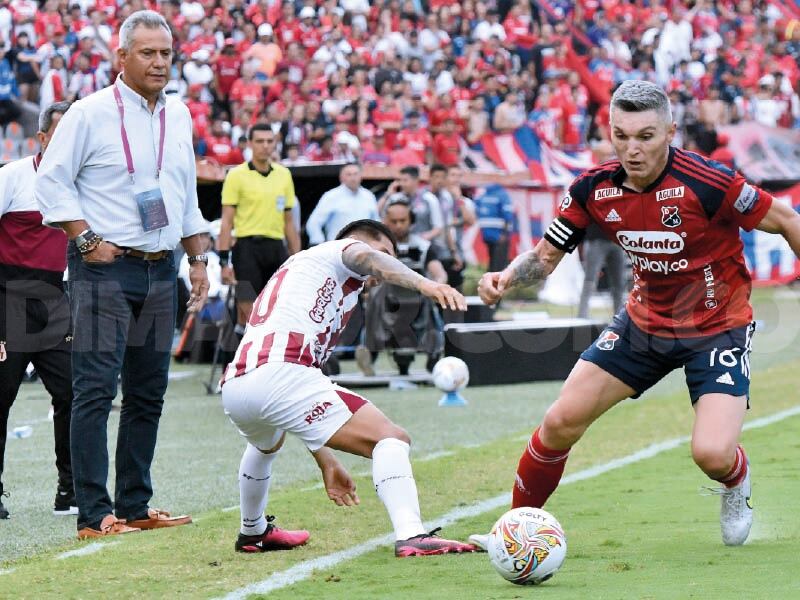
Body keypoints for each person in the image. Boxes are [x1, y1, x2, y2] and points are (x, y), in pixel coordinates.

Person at [470, 80, 800, 549]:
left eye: (645, 136)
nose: (631, 148)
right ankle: (513, 531)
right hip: (642, 326)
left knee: (710, 453)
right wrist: (505, 276)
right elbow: (545, 257)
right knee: (560, 421)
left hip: (718, 329)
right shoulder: (592, 188)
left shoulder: (711, 183)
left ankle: (735, 483)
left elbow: (787, 221)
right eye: (621, 135)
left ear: (670, 131)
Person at [34, 10, 210, 539]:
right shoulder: (88, 114)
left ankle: (135, 504)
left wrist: (199, 259)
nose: (159, 62)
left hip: (163, 269)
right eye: (148, 53)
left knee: (148, 392)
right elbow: (50, 183)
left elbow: (184, 195)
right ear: (122, 56)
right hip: (103, 272)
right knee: (94, 390)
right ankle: (94, 515)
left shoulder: (177, 115)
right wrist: (86, 239)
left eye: (165, 53)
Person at [220, 219, 476, 557]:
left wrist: (326, 460)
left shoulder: (317, 274)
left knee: (267, 441)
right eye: (384, 252)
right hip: (280, 372)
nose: (385, 264)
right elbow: (367, 258)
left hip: (239, 384)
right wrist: (426, 285)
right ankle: (412, 534)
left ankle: (253, 532)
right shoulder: (339, 251)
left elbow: (294, 402)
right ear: (361, 243)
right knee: (392, 439)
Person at [0, 102, 75, 520]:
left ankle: (70, 489)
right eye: (61, 133)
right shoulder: (11, 177)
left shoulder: (84, 184)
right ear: (42, 138)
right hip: (7, 299)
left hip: (57, 302)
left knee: (74, 393)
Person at [218, 123, 301, 330]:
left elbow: (289, 222)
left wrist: (298, 258)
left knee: (278, 309)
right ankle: (240, 360)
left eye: (269, 141)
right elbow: (226, 221)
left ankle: (268, 360)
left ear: (275, 143)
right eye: (259, 141)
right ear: (250, 144)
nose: (265, 146)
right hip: (246, 249)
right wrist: (223, 261)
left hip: (275, 247)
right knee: (247, 312)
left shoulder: (284, 175)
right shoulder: (236, 175)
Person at [363, 199, 448, 375]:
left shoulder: (423, 246)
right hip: (386, 300)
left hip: (418, 300)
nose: (399, 225)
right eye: (394, 222)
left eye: (403, 221)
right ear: (385, 222)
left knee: (432, 303)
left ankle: (434, 357)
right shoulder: (376, 248)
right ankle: (368, 355)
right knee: (375, 296)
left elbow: (438, 272)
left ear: (412, 221)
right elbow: (367, 275)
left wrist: (439, 284)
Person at [305, 163, 379, 246]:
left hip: (365, 247)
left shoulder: (369, 196)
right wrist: (319, 243)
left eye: (355, 174)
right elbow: (313, 223)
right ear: (341, 177)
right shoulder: (331, 196)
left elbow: (376, 223)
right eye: (349, 174)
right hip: (337, 249)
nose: (353, 178)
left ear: (361, 176)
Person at [576, 224, 627, 319]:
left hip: (617, 240)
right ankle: (582, 316)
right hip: (595, 239)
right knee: (590, 280)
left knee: (619, 282)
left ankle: (620, 317)